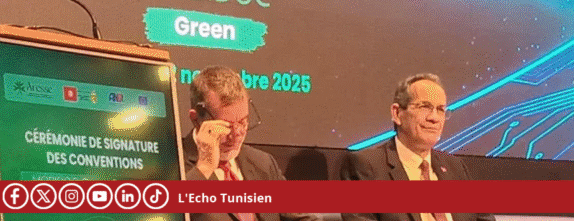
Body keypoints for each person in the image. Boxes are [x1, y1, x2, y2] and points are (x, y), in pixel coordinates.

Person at [339, 74, 495, 221]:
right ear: (397, 113)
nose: (434, 118)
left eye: (440, 110)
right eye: (424, 107)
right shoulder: (365, 166)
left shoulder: (455, 167)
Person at [183, 65, 321, 221]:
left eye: (243, 122)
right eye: (226, 126)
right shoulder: (172, 165)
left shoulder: (263, 163)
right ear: (196, 119)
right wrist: (205, 168)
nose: (236, 135)